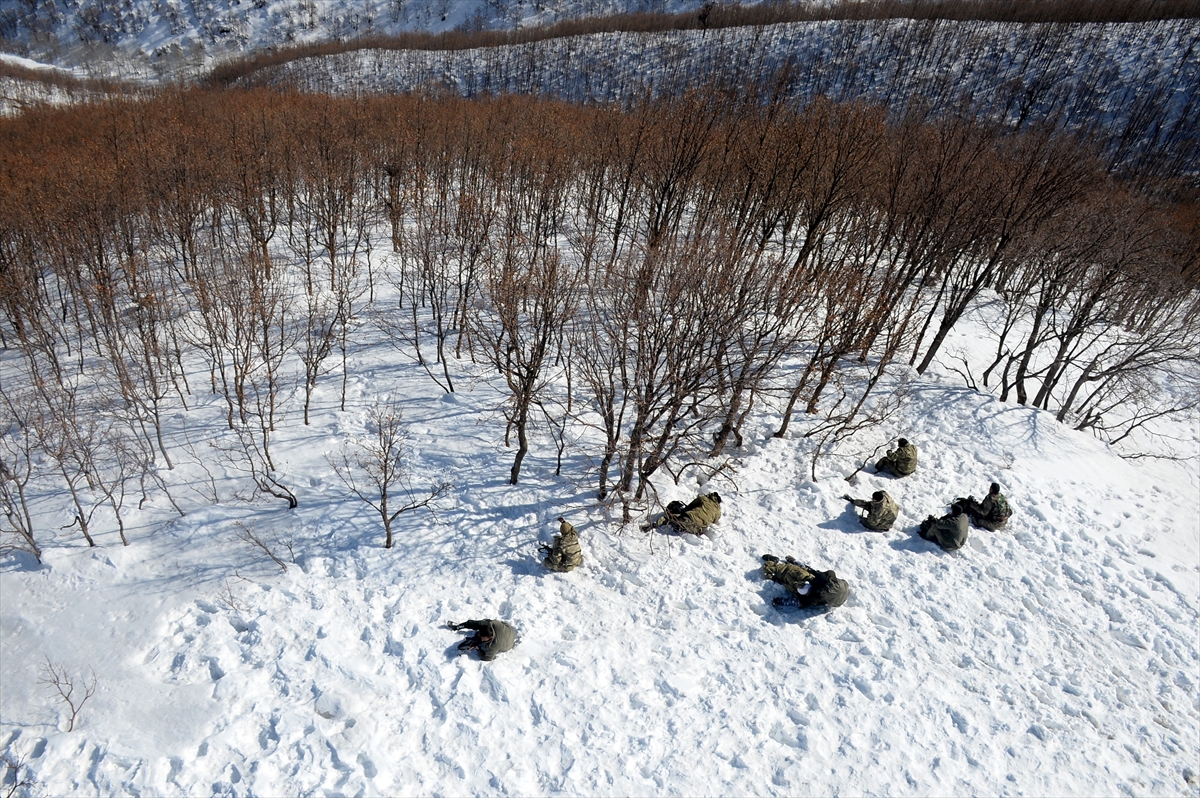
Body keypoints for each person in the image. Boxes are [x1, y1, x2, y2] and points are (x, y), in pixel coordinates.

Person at [760, 554, 849, 608]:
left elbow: (799, 602)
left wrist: (781, 601)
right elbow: (809, 569)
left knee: (770, 570)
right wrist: (795, 562)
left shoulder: (813, 598)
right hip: (798, 572)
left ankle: (772, 562)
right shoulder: (823, 580)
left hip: (789, 577)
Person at [651, 491, 722, 535]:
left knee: (671, 517)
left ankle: (655, 525)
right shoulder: (718, 511)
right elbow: (715, 521)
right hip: (698, 528)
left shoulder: (704, 498)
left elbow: (690, 506)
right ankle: (685, 529)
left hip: (689, 518)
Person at [447, 619, 517, 661]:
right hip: (510, 630)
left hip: (508, 643)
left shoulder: (493, 646)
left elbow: (487, 658)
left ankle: (475, 641)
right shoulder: (495, 624)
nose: (482, 639)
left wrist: (478, 649)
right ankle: (457, 626)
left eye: (483, 638)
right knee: (482, 623)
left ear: (490, 637)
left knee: (483, 643)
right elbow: (485, 623)